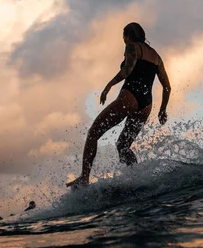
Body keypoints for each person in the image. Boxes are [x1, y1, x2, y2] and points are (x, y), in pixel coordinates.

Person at [66, 22, 171, 187]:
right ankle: (138, 179)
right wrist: (162, 110)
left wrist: (109, 85)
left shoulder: (132, 46)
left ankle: (84, 178)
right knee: (123, 145)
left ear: (128, 35)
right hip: (146, 105)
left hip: (129, 97)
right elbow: (167, 86)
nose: (123, 39)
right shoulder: (156, 56)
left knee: (93, 132)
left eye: (124, 35)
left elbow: (128, 69)